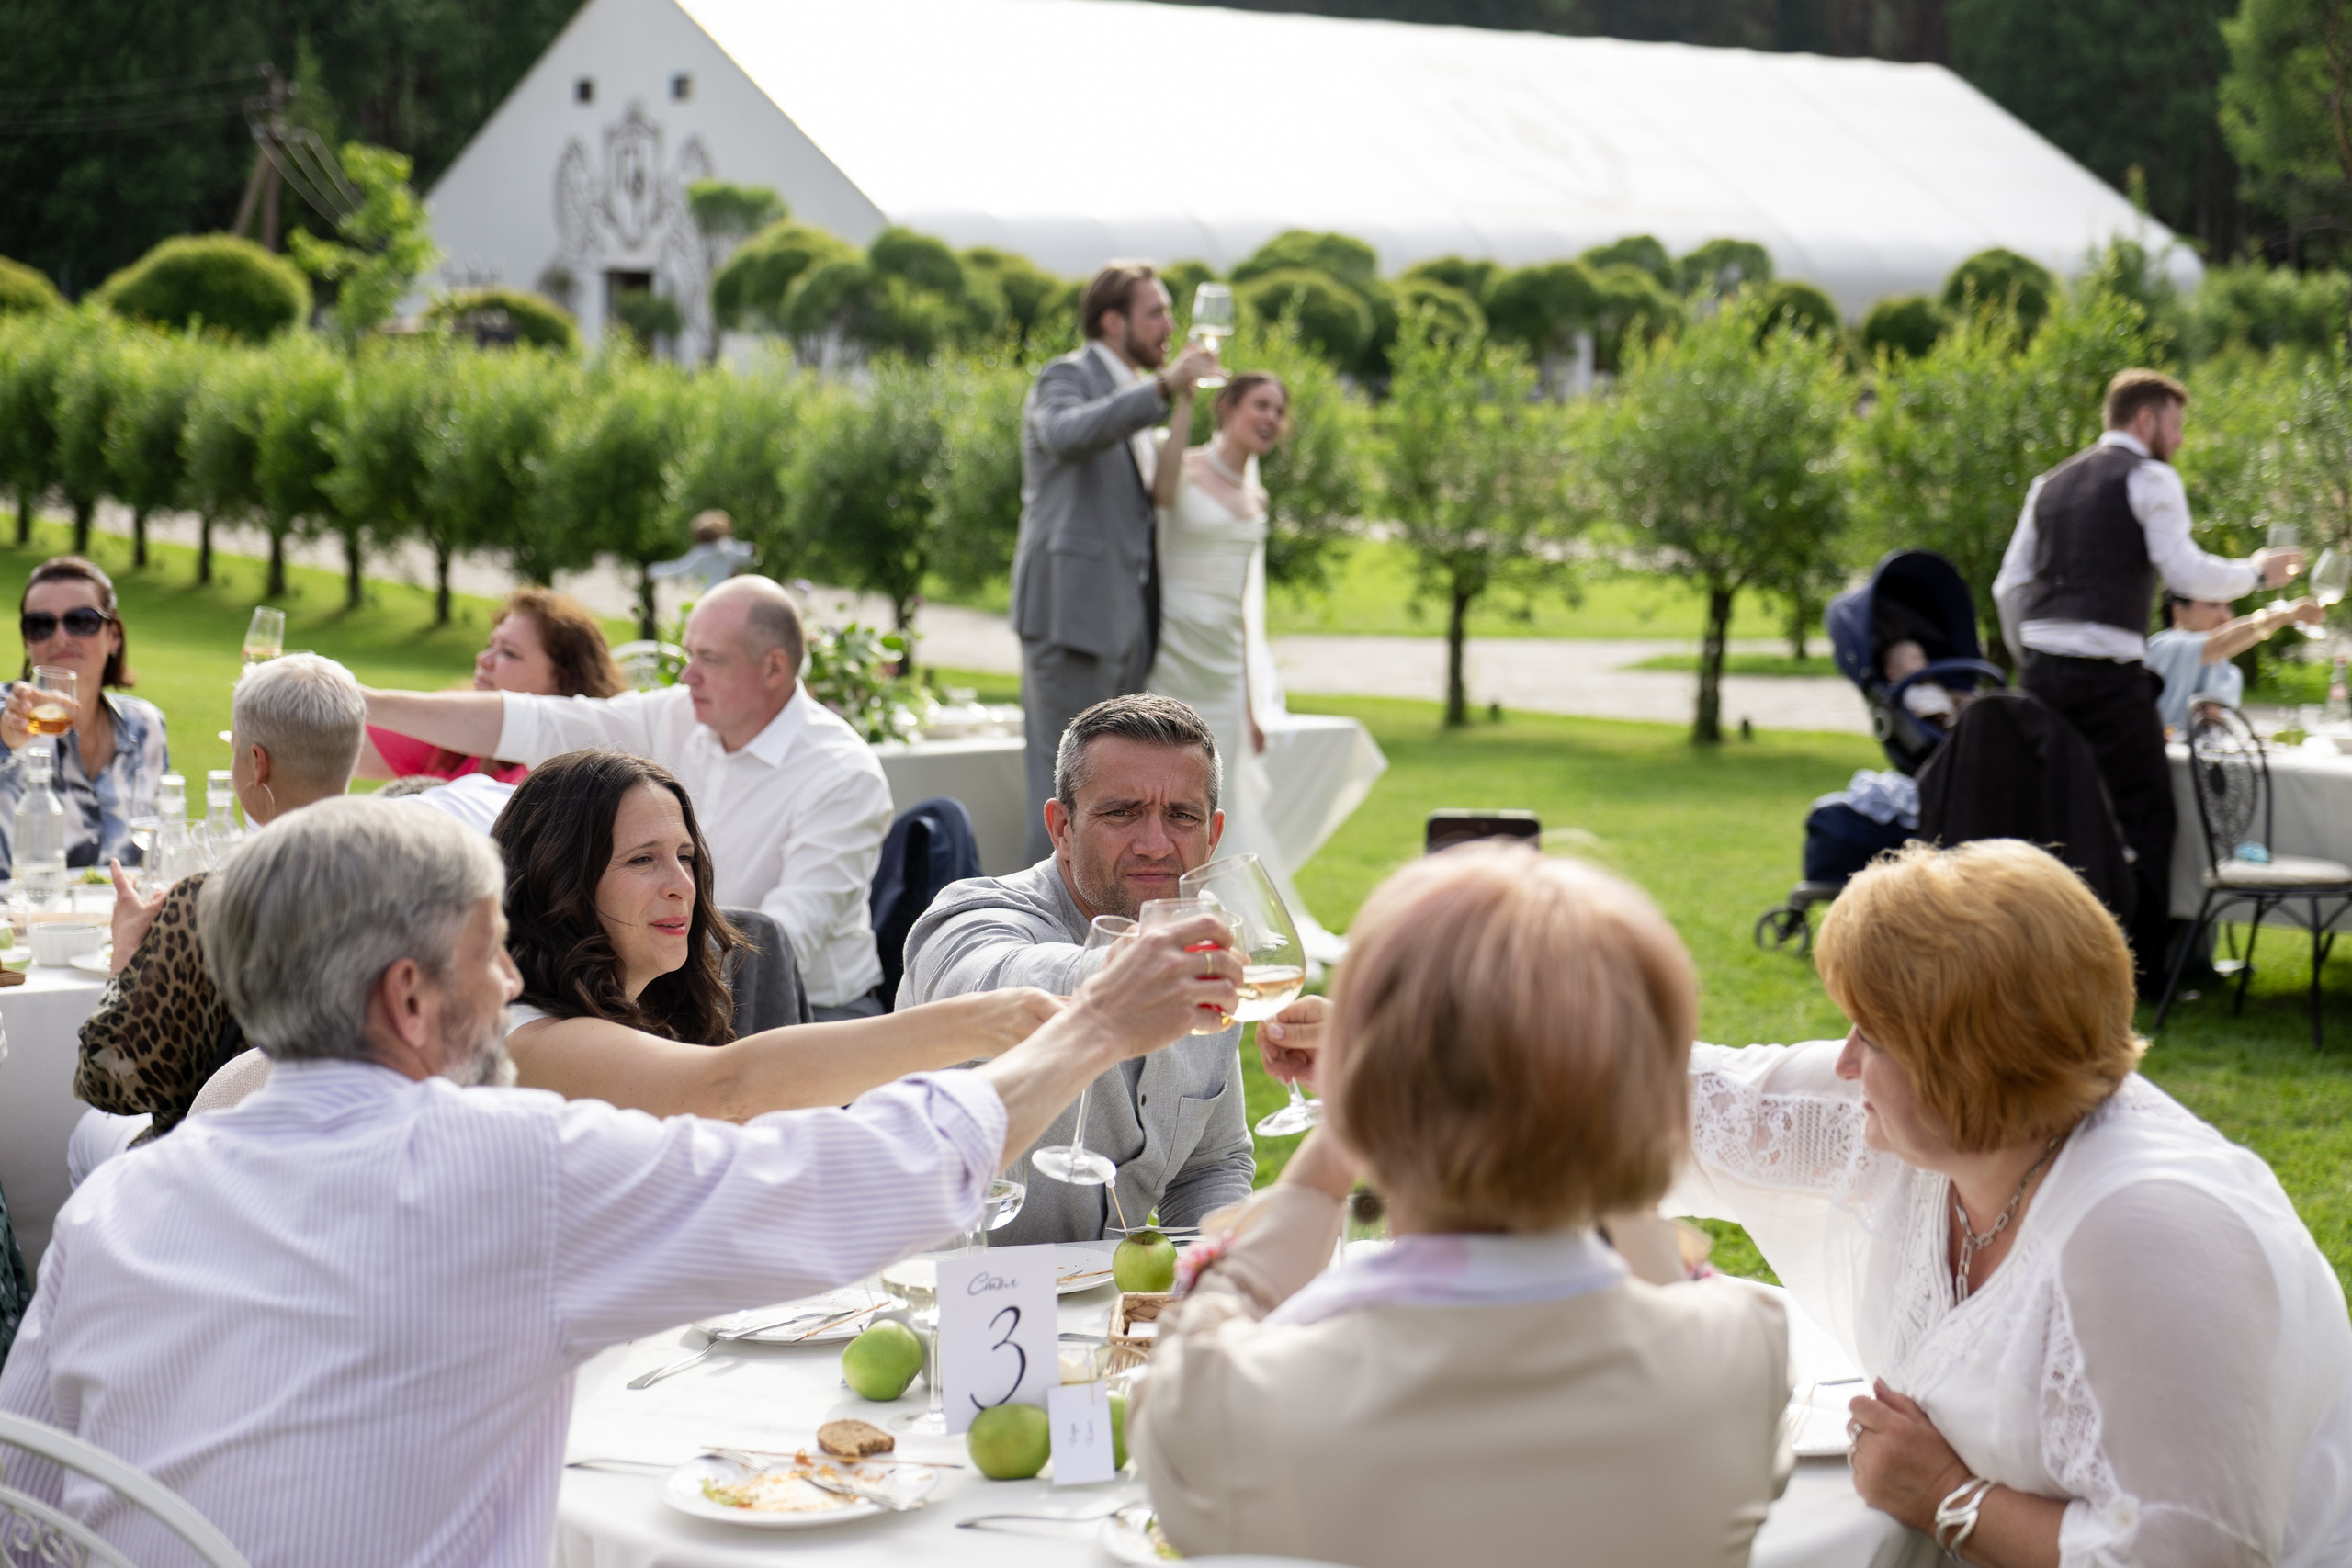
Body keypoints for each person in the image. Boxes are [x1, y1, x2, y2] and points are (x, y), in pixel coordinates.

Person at [0, 797, 1240, 1567]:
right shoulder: (502, 1168)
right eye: (492, 956)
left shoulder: (118, 1201)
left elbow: (31, 1501)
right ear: (409, 996)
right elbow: (860, 1178)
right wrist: (1093, 1026)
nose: (512, 990)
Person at [1673, 840, 2352, 1567]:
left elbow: (2188, 1554)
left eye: (1870, 1035)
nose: (1845, 1061)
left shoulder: (2151, 1236)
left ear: (1961, 1062)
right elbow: (1661, 1106)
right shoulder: (1934, 1127)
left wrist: (1944, 1496)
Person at [1132, 843, 1790, 1567]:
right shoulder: (1742, 1356)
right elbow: (1672, 1290)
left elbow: (1205, 1326)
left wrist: (1339, 1140)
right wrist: (1596, 1125)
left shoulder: (1234, 1406)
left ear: (1370, 1089)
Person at [361, 576, 896, 1018]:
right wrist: (363, 700)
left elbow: (781, 944)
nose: (687, 674)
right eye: (688, 655)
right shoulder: (678, 715)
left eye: (708, 658)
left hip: (813, 1010)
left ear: (774, 668)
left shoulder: (843, 775)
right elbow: (535, 720)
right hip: (674, 978)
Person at [901, 694, 1321, 1245]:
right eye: (1121, 813)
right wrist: (1130, 972)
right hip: (945, 1299)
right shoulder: (976, 915)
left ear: (1213, 834)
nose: (1154, 844)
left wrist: (1214, 1277)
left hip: (1099, 1311)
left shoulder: (1206, 948)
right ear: (1061, 828)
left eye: (1182, 816)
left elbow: (1210, 1167)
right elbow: (980, 979)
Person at [491, 748, 1060, 1116]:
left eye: (686, 858)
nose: (681, 886)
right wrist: (987, 1020)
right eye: (642, 860)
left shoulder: (649, 1016)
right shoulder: (525, 1039)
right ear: (558, 880)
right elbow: (728, 1087)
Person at [1991, 369, 2303, 988]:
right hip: (2109, 678)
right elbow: (2185, 571)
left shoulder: (2047, 483)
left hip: (2043, 675)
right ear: (2145, 420)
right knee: (2148, 820)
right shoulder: (2150, 477)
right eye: (2177, 424)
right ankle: (2146, 977)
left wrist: (2030, 654)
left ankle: (2033, 967)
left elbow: (2009, 586)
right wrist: (2257, 574)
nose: (2181, 439)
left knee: (2047, 818)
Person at [69, 653, 369, 1180]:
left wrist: (124, 958)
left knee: (85, 1138)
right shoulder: (414, 885)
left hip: (222, 1172)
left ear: (257, 763)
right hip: (364, 1159)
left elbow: (111, 1083)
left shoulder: (208, 904)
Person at [1012, 261, 1221, 862]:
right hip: (1068, 618)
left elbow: (1161, 493)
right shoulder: (1067, 375)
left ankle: (1107, 944)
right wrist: (1158, 389)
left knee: (1115, 804)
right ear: (1112, 319)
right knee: (1062, 806)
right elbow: (1064, 433)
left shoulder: (1134, 392)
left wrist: (1180, 400)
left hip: (1126, 627)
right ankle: (1036, 945)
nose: (1169, 324)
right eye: (1155, 311)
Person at [1145, 369, 1340, 961]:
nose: (1271, 418)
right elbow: (1159, 495)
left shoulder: (1259, 497)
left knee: (1216, 794)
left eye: (1279, 411)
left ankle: (1230, 919)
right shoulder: (1180, 463)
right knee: (1161, 776)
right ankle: (1156, 910)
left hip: (1225, 665)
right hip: (1170, 648)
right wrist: (1180, 399)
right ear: (1227, 407)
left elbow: (1248, 607)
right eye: (1261, 404)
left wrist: (1255, 699)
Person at [0, 556, 168, 877]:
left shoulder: (147, 726)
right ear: (26, 640)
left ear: (114, 636)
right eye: (41, 625)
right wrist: (10, 733)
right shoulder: (11, 710)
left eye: (81, 621)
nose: (61, 637)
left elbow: (158, 849)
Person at [358, 586, 624, 784]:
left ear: (562, 680)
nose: (483, 660)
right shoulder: (452, 718)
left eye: (509, 653)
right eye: (490, 645)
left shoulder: (563, 775)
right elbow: (341, 748)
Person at [2146, 591, 2320, 734]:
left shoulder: (2228, 671)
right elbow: (2220, 644)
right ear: (2179, 611)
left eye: (2228, 607)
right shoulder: (2165, 645)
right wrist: (2286, 615)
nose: (2225, 616)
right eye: (2213, 605)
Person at [648, 509, 756, 596]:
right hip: (732, 592)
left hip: (711, 595)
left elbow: (679, 568)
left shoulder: (701, 553)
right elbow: (749, 555)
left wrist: (653, 571)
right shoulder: (727, 545)